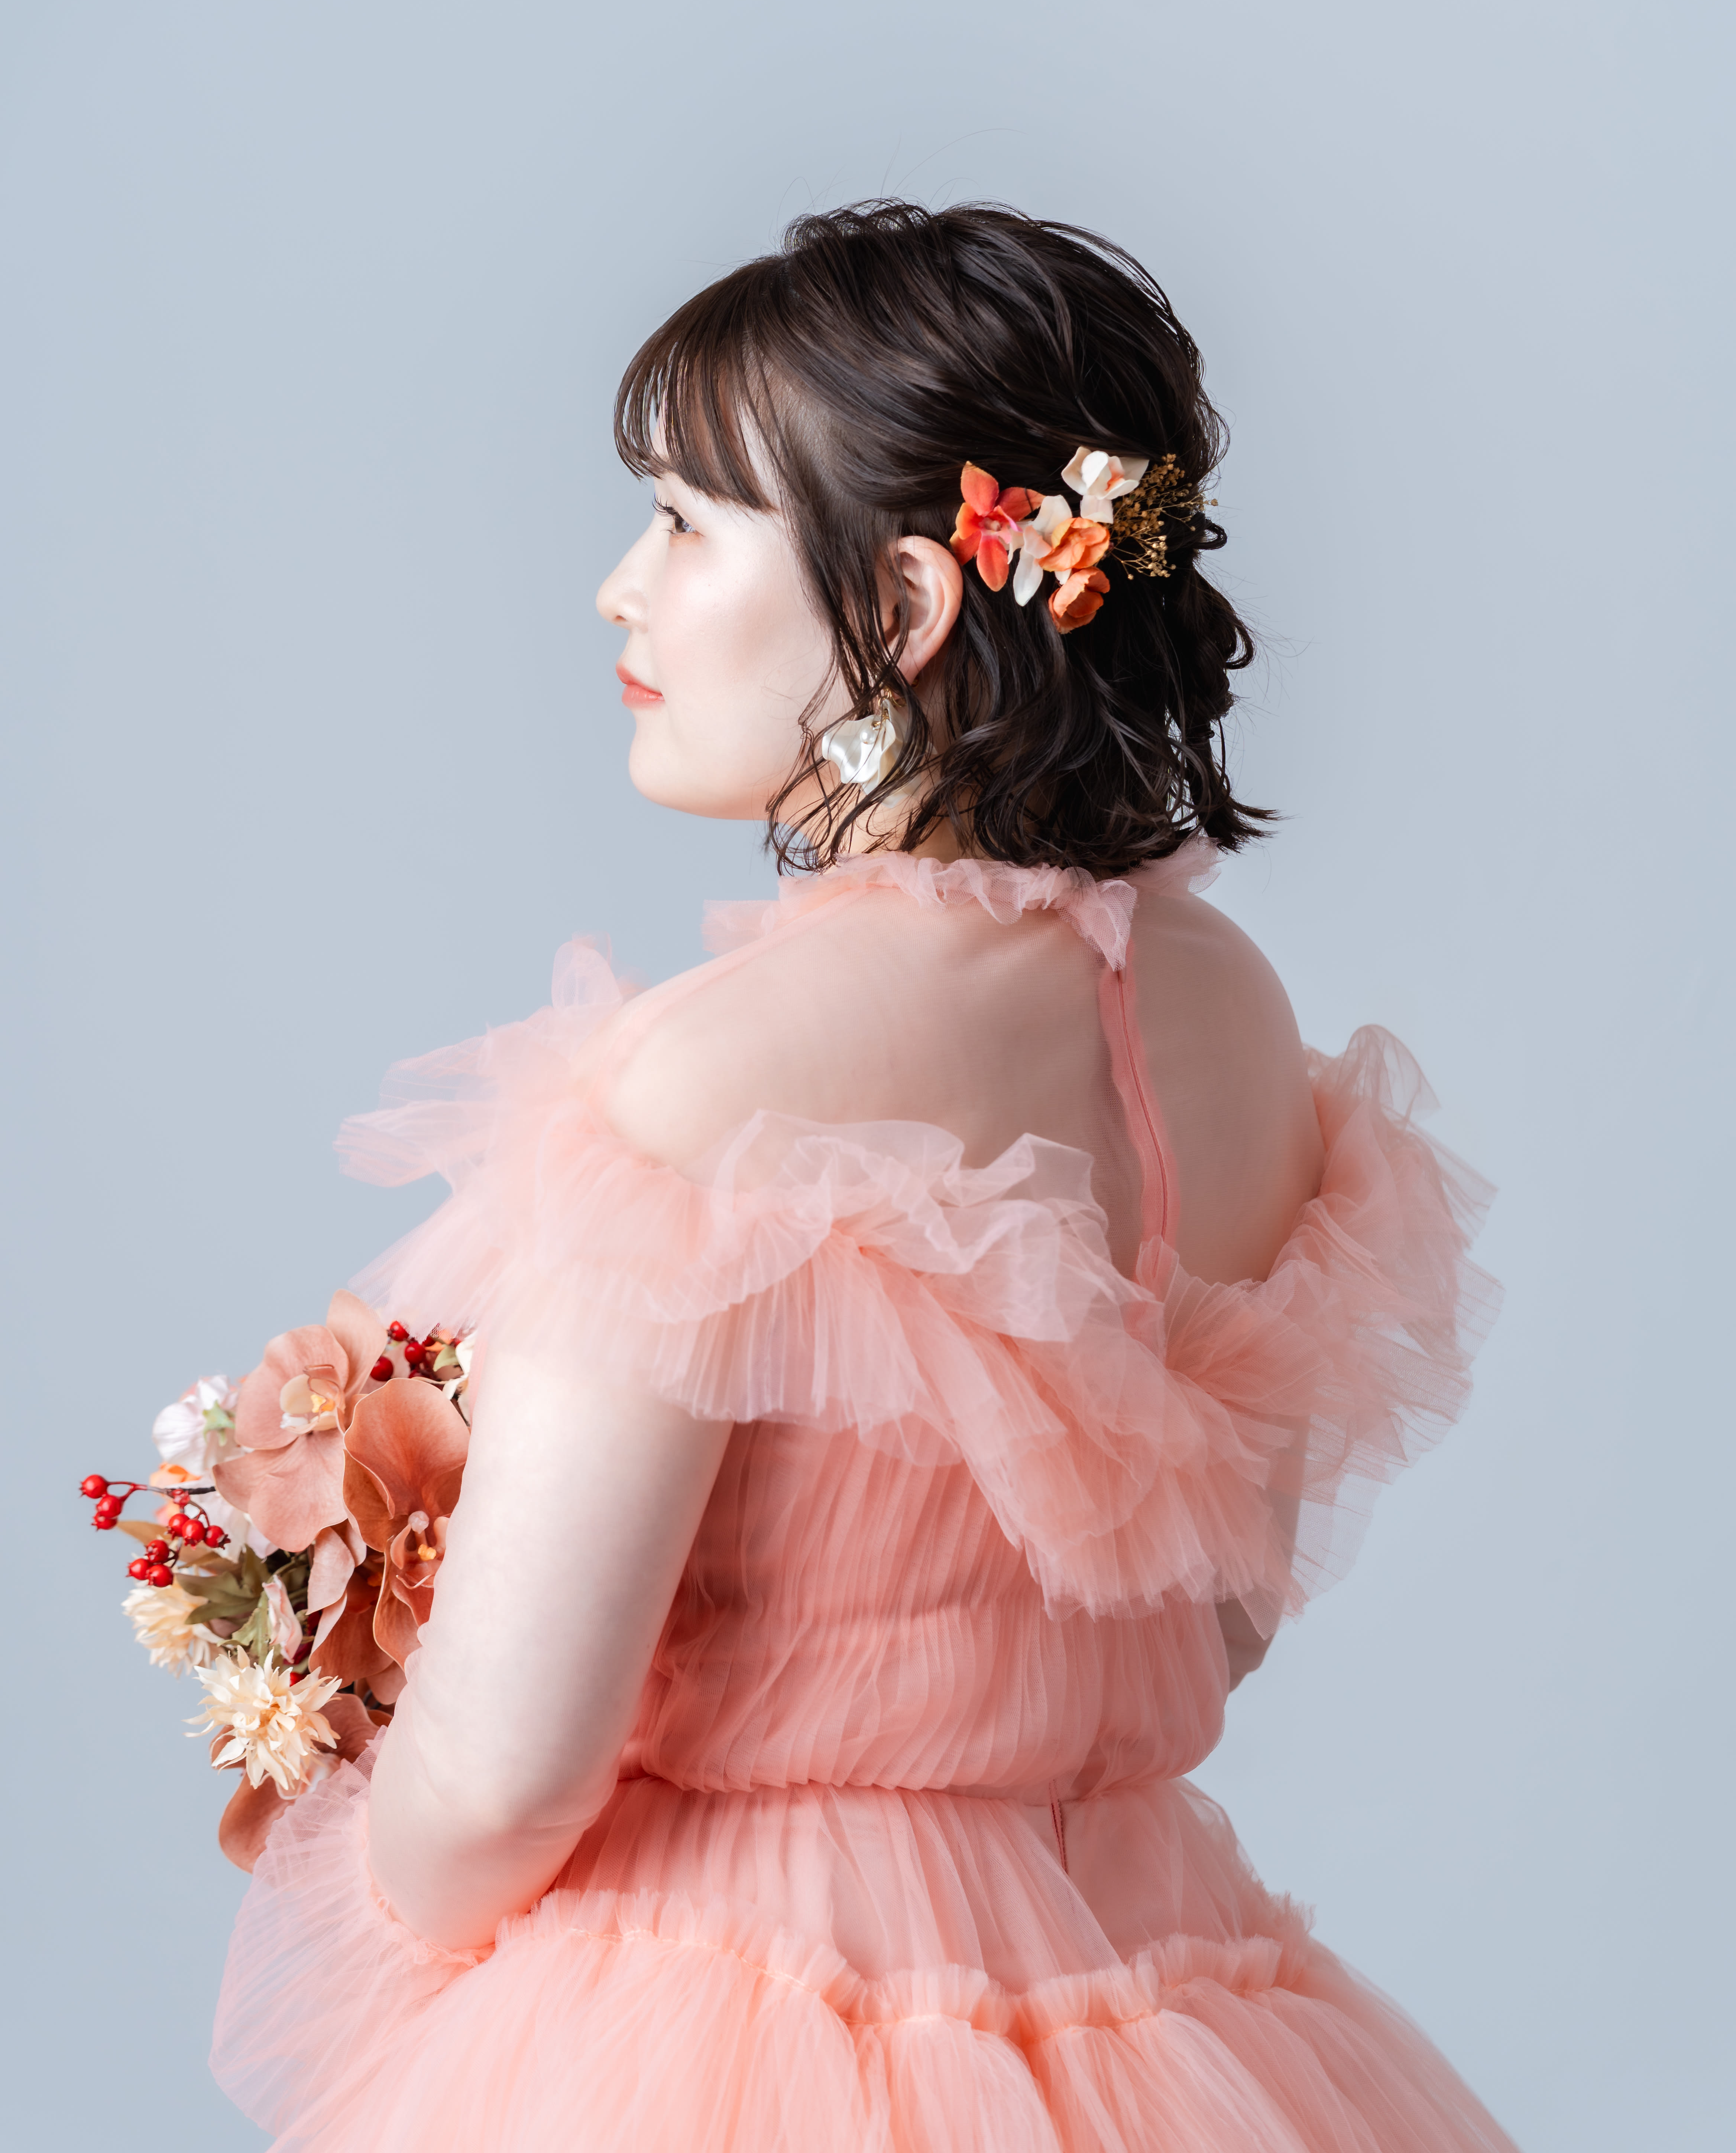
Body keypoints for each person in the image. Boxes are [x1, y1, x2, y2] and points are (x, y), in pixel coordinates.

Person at [213, 202, 1515, 2151]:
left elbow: (504, 1771)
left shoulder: (710, 1079)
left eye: (684, 524)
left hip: (729, 2009)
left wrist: (379, 1910)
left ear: (902, 604)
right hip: (1156, 1988)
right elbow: (1210, 1620)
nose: (619, 591)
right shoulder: (1236, 1019)